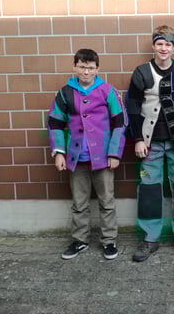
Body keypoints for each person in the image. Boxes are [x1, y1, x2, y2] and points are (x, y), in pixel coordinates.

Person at [126, 25, 174, 262]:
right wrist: (137, 139)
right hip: (150, 142)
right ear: (153, 46)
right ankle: (150, 238)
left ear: (173, 47)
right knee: (149, 190)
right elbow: (133, 106)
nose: (163, 48)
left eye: (168, 44)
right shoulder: (142, 72)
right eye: (159, 43)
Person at [47, 48, 127, 260]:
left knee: (106, 201)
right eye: (82, 67)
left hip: (103, 157)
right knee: (79, 203)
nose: (86, 72)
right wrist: (59, 153)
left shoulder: (107, 91)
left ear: (97, 69)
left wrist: (114, 153)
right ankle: (80, 240)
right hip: (76, 157)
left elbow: (120, 123)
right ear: (74, 67)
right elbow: (55, 123)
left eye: (90, 68)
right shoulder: (65, 92)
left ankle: (109, 241)